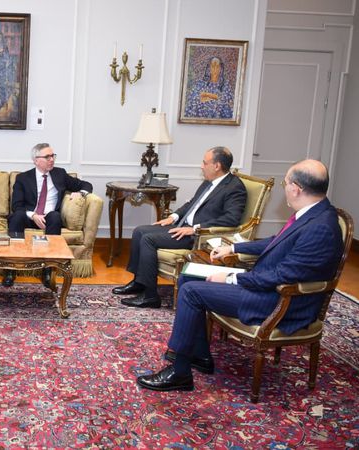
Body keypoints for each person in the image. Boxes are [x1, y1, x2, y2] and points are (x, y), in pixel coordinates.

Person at [136, 159, 344, 392]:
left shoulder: (320, 227)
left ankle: (180, 372)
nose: (284, 188)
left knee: (191, 292)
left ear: (295, 189)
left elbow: (282, 275)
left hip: (280, 301)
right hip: (268, 286)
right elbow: (276, 242)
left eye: (285, 183)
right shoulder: (313, 213)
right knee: (189, 276)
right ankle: (200, 355)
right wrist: (234, 248)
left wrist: (230, 278)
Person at [114, 146, 247, 308]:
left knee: (148, 239)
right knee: (139, 231)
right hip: (182, 226)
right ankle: (139, 283)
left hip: (198, 236)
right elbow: (192, 204)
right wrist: (173, 217)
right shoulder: (209, 182)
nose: (201, 166)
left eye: (205, 163)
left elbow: (231, 219)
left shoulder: (235, 187)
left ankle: (150, 296)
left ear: (217, 166)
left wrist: (195, 228)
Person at [2, 143, 92, 288]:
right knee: (16, 216)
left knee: (55, 216)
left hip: (49, 217)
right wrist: (33, 215)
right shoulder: (23, 178)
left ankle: (48, 271)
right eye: (47, 157)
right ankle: (10, 269)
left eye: (53, 156)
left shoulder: (60, 174)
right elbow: (16, 205)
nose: (52, 159)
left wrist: (80, 193)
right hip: (29, 217)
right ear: (36, 160)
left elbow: (86, 184)